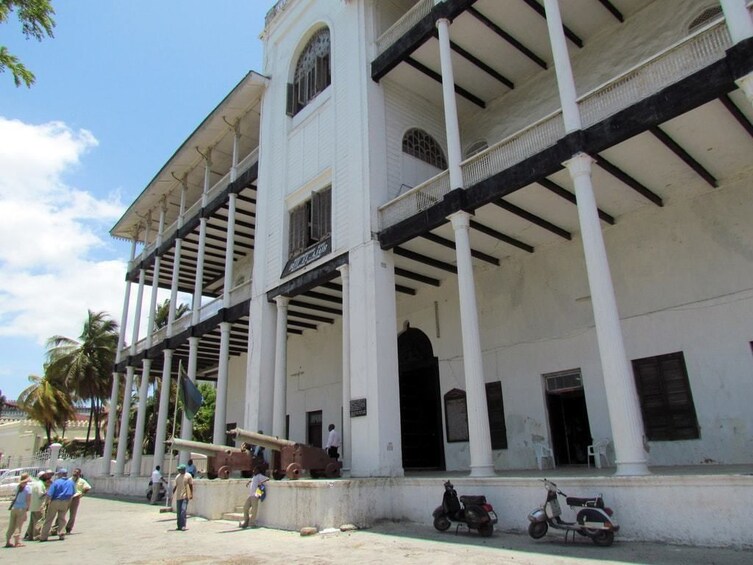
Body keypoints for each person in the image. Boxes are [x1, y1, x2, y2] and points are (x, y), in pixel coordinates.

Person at [39, 468, 75, 541]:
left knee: (49, 518)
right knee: (62, 518)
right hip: (65, 501)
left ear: (61, 474)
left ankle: (43, 536)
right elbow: (73, 493)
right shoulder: (71, 482)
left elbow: (49, 494)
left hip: (55, 501)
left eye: (59, 474)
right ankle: (61, 533)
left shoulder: (56, 482)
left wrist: (45, 503)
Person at [5, 472, 31, 548]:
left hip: (14, 508)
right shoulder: (28, 488)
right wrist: (27, 508)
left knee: (11, 525)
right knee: (18, 525)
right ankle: (17, 542)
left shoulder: (18, 487)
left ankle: (8, 541)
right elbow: (28, 500)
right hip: (21, 508)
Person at [23, 471, 49, 541]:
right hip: (38, 506)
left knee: (32, 522)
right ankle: (36, 535)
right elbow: (41, 494)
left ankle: (30, 535)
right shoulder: (40, 484)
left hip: (34, 506)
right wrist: (48, 493)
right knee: (38, 521)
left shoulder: (36, 484)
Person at [65, 468, 91, 534]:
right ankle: (57, 527)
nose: (75, 473)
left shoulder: (82, 481)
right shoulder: (69, 480)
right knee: (63, 512)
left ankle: (68, 528)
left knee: (73, 514)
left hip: (75, 498)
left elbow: (88, 487)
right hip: (67, 497)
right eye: (74, 472)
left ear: (79, 473)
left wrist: (82, 494)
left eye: (77, 472)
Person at [173, 464, 193, 531]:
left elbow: (191, 485)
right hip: (178, 496)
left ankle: (183, 525)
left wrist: (191, 494)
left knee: (183, 511)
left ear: (183, 469)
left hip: (185, 496)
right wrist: (172, 494)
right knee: (178, 512)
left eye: (180, 469)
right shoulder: (177, 477)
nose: (179, 470)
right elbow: (175, 486)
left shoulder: (188, 476)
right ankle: (179, 526)